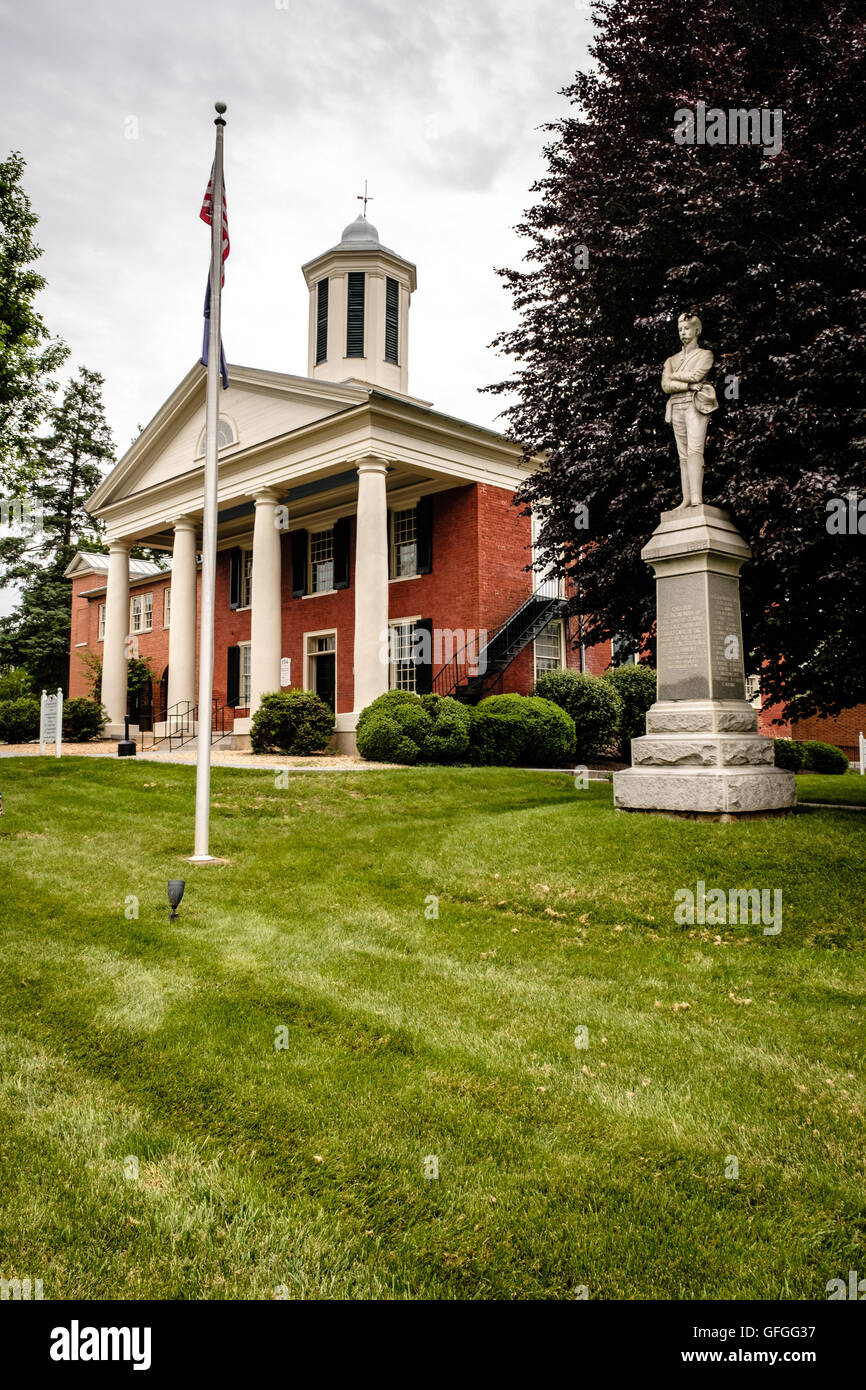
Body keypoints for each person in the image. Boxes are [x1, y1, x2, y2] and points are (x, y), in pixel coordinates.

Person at [661, 312, 718, 507]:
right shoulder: (671, 359)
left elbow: (696, 375)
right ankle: (686, 499)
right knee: (682, 455)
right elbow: (666, 386)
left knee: (695, 450)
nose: (683, 333)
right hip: (677, 404)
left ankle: (696, 498)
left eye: (686, 329)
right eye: (680, 330)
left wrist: (675, 376)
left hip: (695, 405)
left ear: (697, 330)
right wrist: (686, 385)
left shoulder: (705, 355)